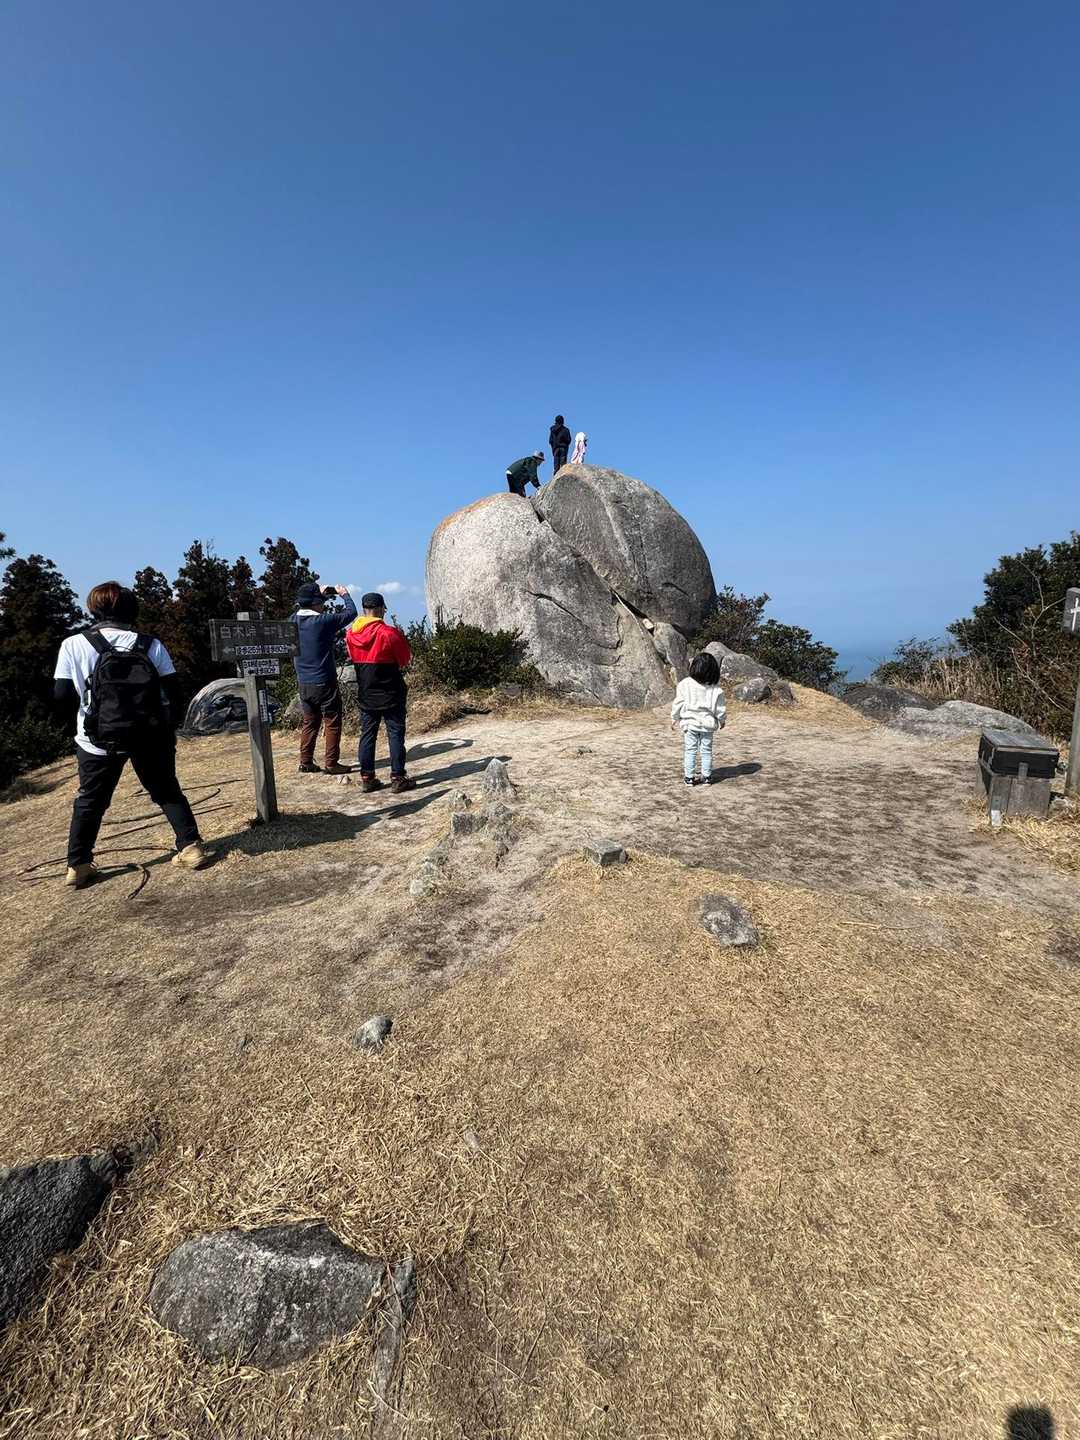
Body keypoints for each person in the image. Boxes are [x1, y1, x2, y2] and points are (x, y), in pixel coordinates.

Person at [53, 581, 212, 888]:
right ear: (131, 610)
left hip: (96, 739)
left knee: (90, 800)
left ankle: (79, 864)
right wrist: (167, 724)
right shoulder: (151, 644)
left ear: (94, 609)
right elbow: (173, 691)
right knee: (167, 791)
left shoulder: (73, 644)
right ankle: (191, 847)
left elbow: (61, 695)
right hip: (150, 735)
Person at [345, 593, 416, 793]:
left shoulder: (350, 634)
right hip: (391, 691)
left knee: (367, 734)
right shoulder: (388, 633)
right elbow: (405, 659)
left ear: (364, 609)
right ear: (380, 609)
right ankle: (398, 777)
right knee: (395, 734)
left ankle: (367, 778)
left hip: (366, 692)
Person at [290, 581, 357, 774]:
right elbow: (351, 613)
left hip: (304, 682)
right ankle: (332, 763)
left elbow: (305, 608)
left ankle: (305, 762)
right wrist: (344, 594)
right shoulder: (323, 621)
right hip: (324, 681)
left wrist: (320, 596)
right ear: (315, 603)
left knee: (310, 722)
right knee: (332, 721)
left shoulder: (292, 621)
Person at [671, 652, 726, 787]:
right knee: (706, 751)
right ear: (713, 670)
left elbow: (678, 703)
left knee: (690, 750)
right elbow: (719, 708)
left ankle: (689, 778)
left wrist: (674, 717)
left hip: (690, 724)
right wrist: (722, 720)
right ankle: (706, 777)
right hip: (707, 725)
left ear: (694, 667)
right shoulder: (715, 688)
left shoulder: (684, 684)